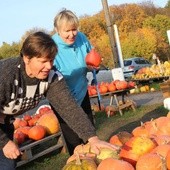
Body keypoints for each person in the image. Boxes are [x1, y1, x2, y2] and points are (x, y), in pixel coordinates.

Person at [0, 31, 118, 169]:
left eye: (51, 60)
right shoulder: (6, 74)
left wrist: (93, 139)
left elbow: (69, 107)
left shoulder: (51, 76)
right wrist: (3, 142)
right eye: (43, 61)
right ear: (27, 58)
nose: (49, 66)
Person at [52, 9, 100, 155]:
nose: (72, 34)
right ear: (57, 30)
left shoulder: (81, 38)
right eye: (67, 31)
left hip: (81, 90)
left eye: (74, 29)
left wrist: (94, 66)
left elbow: (92, 57)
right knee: (72, 137)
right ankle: (78, 160)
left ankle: (94, 159)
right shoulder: (51, 47)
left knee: (88, 130)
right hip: (62, 97)